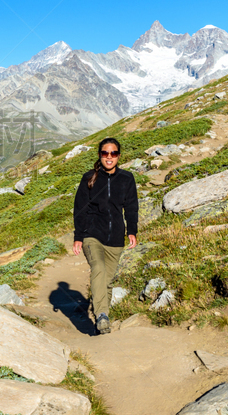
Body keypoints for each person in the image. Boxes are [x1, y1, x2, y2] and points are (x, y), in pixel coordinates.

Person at [72, 137, 138, 335]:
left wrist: (132, 231)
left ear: (119, 155)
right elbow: (80, 209)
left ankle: (103, 320)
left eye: (113, 153)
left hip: (116, 238)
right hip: (92, 235)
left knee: (107, 281)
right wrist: (78, 236)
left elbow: (131, 207)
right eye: (105, 153)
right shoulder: (89, 178)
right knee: (98, 269)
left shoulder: (127, 178)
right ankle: (102, 315)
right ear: (99, 155)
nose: (109, 157)